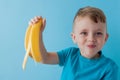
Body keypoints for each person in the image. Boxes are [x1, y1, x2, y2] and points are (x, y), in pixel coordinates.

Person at [29, 6, 118, 80]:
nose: (91, 39)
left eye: (98, 33)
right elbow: (44, 58)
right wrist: (38, 33)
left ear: (105, 38)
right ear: (74, 38)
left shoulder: (110, 68)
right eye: (84, 33)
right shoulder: (70, 54)